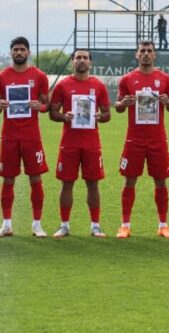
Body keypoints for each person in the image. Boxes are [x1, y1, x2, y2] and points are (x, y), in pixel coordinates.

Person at [114, 41, 169, 239]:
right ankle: (125, 225)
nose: (146, 54)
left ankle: (163, 225)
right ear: (137, 55)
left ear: (154, 55)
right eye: (142, 51)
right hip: (134, 139)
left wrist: (168, 102)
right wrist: (123, 103)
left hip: (157, 139)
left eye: (149, 51)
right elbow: (118, 106)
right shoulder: (127, 79)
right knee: (129, 180)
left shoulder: (165, 79)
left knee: (161, 181)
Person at [0, 36, 50, 238]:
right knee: (8, 179)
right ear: (11, 52)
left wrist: (39, 106)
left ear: (28, 52)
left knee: (35, 177)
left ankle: (37, 224)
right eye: (15, 49)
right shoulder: (1, 77)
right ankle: (6, 224)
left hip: (32, 136)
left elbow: (46, 104)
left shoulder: (39, 76)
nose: (19, 52)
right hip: (9, 136)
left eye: (22, 49)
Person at [49, 49, 111, 238]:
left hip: (91, 143)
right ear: (72, 62)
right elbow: (52, 113)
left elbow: (107, 114)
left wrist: (99, 117)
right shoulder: (63, 85)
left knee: (93, 184)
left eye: (85, 58)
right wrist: (64, 116)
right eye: (78, 58)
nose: (82, 61)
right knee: (67, 184)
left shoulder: (98, 85)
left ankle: (95, 226)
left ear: (90, 63)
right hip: (69, 143)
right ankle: (64, 225)